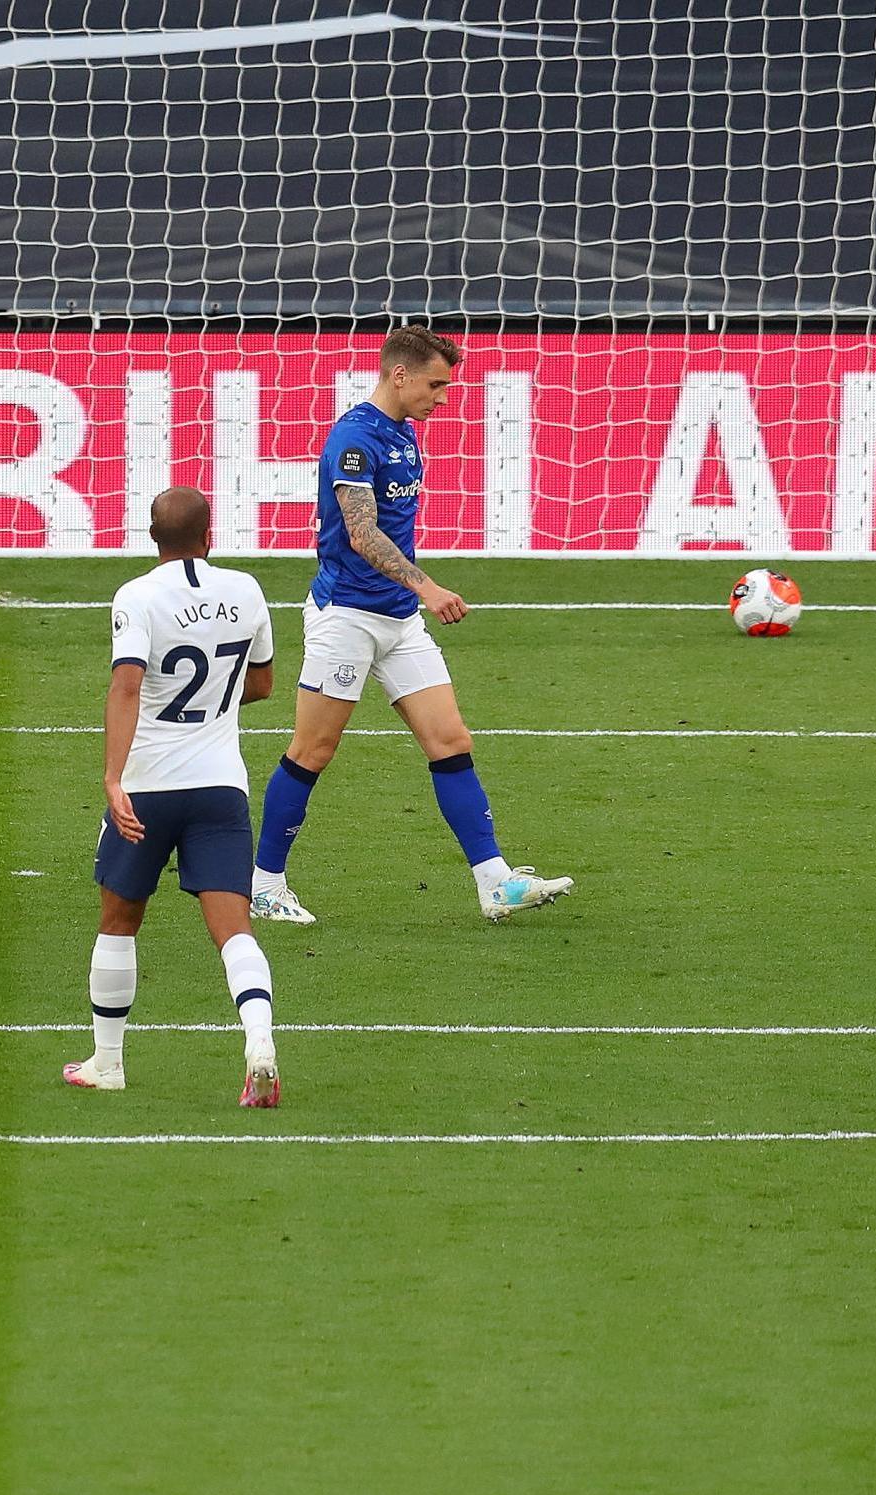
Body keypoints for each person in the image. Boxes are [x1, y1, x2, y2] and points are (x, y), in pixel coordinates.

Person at [249, 327, 573, 925]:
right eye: (436, 384)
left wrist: (413, 599)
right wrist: (428, 587)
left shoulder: (404, 435)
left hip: (399, 621)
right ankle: (264, 884)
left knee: (450, 742)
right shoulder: (353, 438)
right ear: (400, 375)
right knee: (313, 750)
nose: (443, 398)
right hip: (346, 618)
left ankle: (493, 881)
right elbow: (361, 532)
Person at [63, 487, 282, 1106]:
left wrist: (112, 779)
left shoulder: (138, 597)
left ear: (150, 536)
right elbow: (261, 684)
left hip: (148, 790)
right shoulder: (247, 590)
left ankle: (108, 1062)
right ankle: (259, 1040)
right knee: (234, 929)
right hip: (220, 786)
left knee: (118, 921)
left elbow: (127, 687)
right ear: (210, 535)